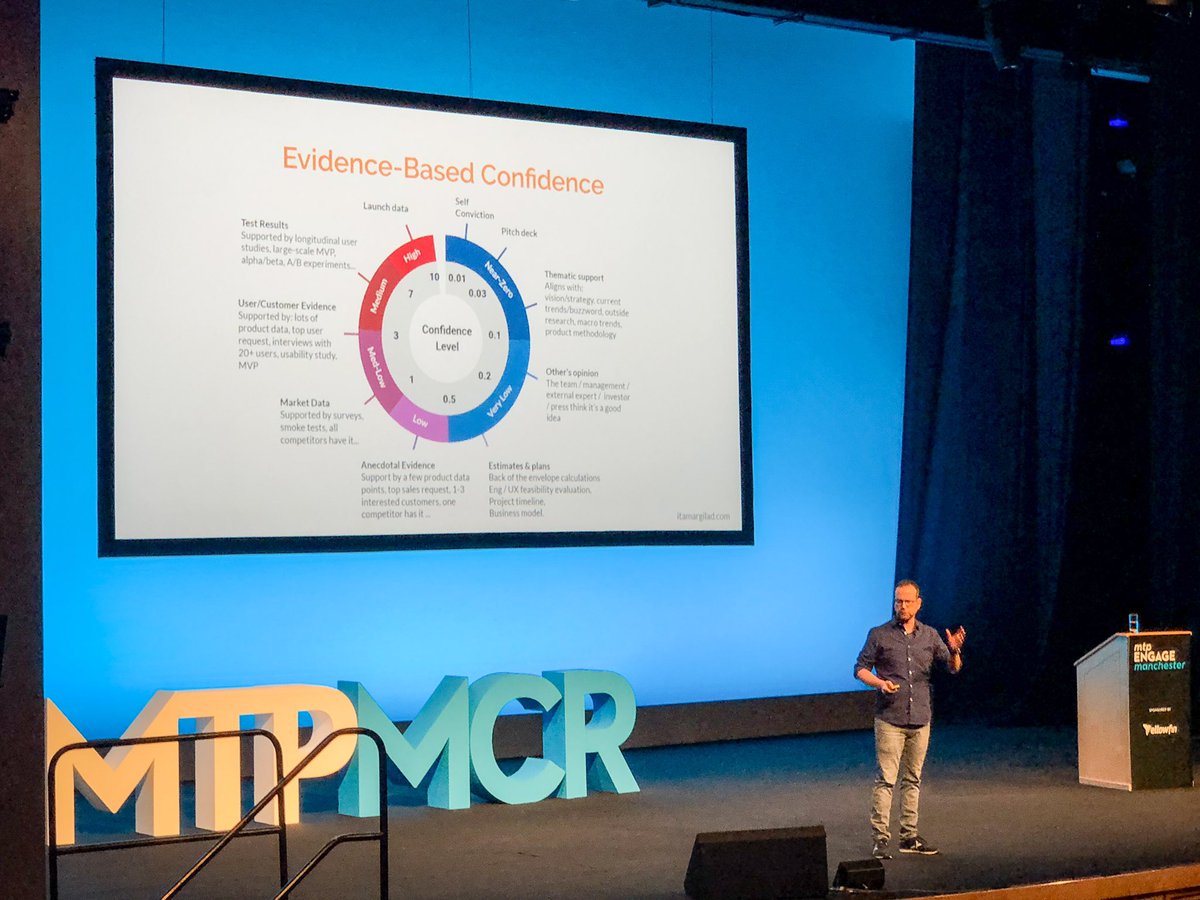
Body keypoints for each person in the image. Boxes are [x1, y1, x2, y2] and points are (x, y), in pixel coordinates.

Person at [854, 579, 965, 859]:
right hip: (890, 717)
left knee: (913, 780)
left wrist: (954, 651)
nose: (901, 606)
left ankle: (909, 837)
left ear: (918, 604)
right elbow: (860, 669)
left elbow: (953, 669)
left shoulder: (929, 635)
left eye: (906, 601)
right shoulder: (879, 634)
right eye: (897, 601)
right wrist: (879, 683)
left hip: (920, 718)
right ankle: (880, 839)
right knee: (886, 780)